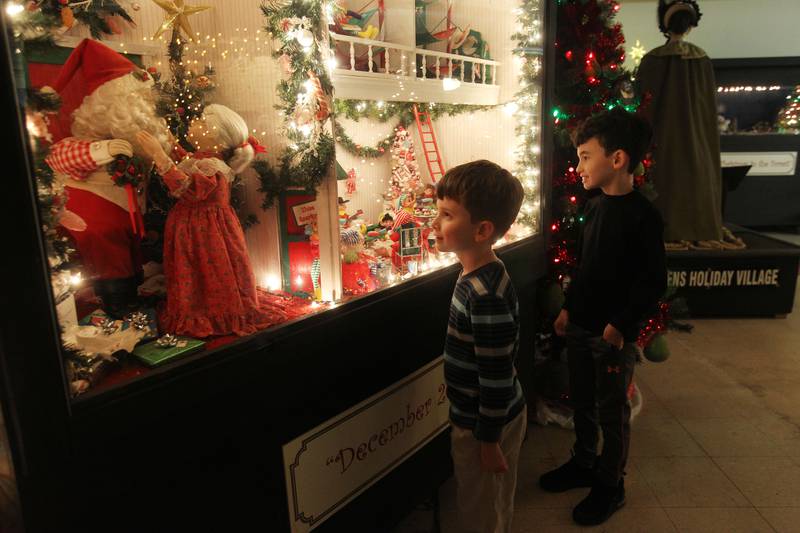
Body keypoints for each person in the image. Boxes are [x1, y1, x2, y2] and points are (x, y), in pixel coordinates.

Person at [540, 109, 667, 526]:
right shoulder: (593, 208)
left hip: (612, 335)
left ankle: (611, 485)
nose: (578, 167)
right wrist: (568, 307)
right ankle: (584, 461)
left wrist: (621, 326)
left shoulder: (644, 217)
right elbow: (585, 266)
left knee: (613, 411)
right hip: (580, 326)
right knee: (581, 400)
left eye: (584, 156)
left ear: (617, 159)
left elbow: (652, 283)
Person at [137, 104, 288, 338]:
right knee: (197, 271)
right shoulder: (203, 158)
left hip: (206, 233)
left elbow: (187, 188)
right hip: (196, 228)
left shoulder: (213, 166)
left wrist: (159, 155)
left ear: (216, 138)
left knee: (209, 269)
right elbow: (186, 160)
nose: (194, 122)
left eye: (200, 121)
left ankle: (214, 314)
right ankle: (199, 310)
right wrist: (169, 143)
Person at [432, 160, 526, 533]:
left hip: (486, 425)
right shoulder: (480, 273)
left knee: (482, 510)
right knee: (485, 500)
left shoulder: (483, 295)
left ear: (482, 229)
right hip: (486, 418)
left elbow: (496, 374)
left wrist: (488, 440)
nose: (435, 223)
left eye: (447, 214)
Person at [636, 0, 729, 250]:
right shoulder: (702, 61)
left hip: (661, 140)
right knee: (696, 174)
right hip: (697, 140)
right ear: (690, 26)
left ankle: (664, 227)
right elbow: (707, 110)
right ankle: (697, 226)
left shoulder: (651, 60)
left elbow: (643, 107)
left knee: (663, 176)